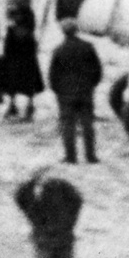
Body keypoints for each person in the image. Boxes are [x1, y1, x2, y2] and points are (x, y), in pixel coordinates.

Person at [14, 168, 84, 258]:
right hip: (53, 238)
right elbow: (77, 200)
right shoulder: (41, 205)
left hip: (53, 238)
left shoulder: (38, 206)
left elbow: (21, 198)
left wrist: (32, 182)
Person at [47, 18, 102, 165]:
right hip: (85, 91)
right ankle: (91, 156)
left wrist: (58, 90)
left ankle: (71, 157)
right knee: (87, 124)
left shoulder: (58, 51)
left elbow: (52, 75)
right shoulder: (88, 47)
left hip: (66, 93)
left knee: (68, 125)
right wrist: (91, 85)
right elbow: (97, 70)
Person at [0, 0, 44, 120]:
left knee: (15, 75)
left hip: (17, 47)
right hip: (24, 47)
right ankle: (23, 105)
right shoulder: (26, 9)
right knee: (24, 75)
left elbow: (18, 24)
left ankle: (17, 105)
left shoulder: (21, 9)